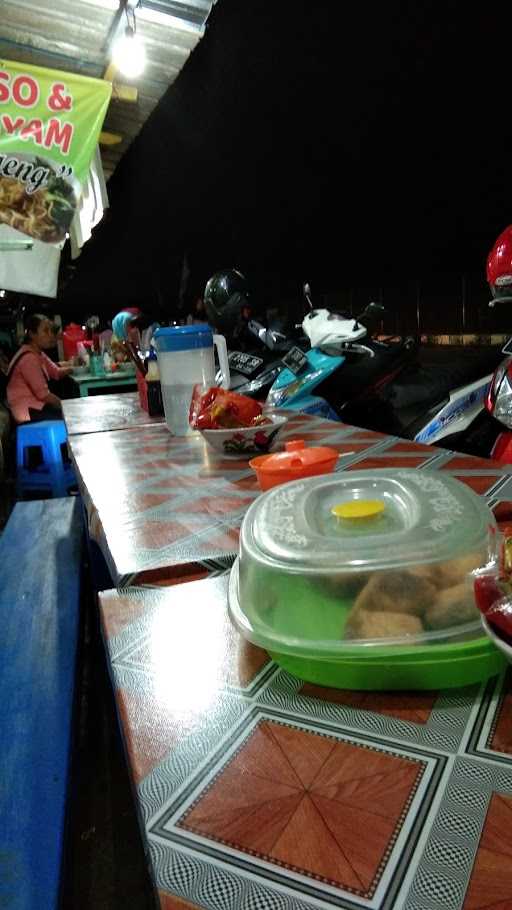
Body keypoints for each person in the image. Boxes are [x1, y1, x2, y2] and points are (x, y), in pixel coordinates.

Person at [6, 314, 74, 423]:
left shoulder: (38, 353)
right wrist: (66, 407)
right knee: (71, 419)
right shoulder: (29, 358)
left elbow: (55, 372)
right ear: (32, 334)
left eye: (51, 331)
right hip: (27, 412)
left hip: (37, 407)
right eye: (45, 331)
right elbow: (44, 395)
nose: (51, 335)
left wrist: (74, 367)